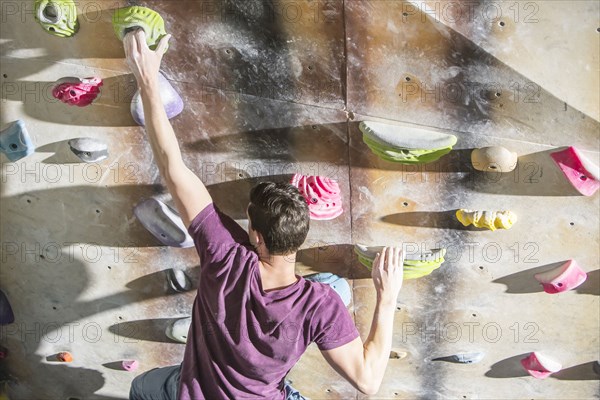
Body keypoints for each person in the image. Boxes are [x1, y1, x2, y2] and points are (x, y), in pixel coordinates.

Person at [124, 29, 404, 400]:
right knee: (333, 290)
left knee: (142, 388)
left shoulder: (225, 256)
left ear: (255, 234)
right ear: (300, 235)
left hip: (192, 392)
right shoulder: (319, 305)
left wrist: (146, 78)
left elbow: (173, 168)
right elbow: (369, 382)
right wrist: (387, 295)